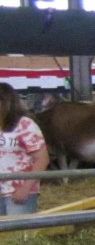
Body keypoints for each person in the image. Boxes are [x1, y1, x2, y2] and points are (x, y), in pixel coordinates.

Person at [0, 83, 50, 216]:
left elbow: (42, 158)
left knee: (18, 234)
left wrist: (26, 187)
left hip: (18, 190)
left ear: (5, 103)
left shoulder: (25, 125)